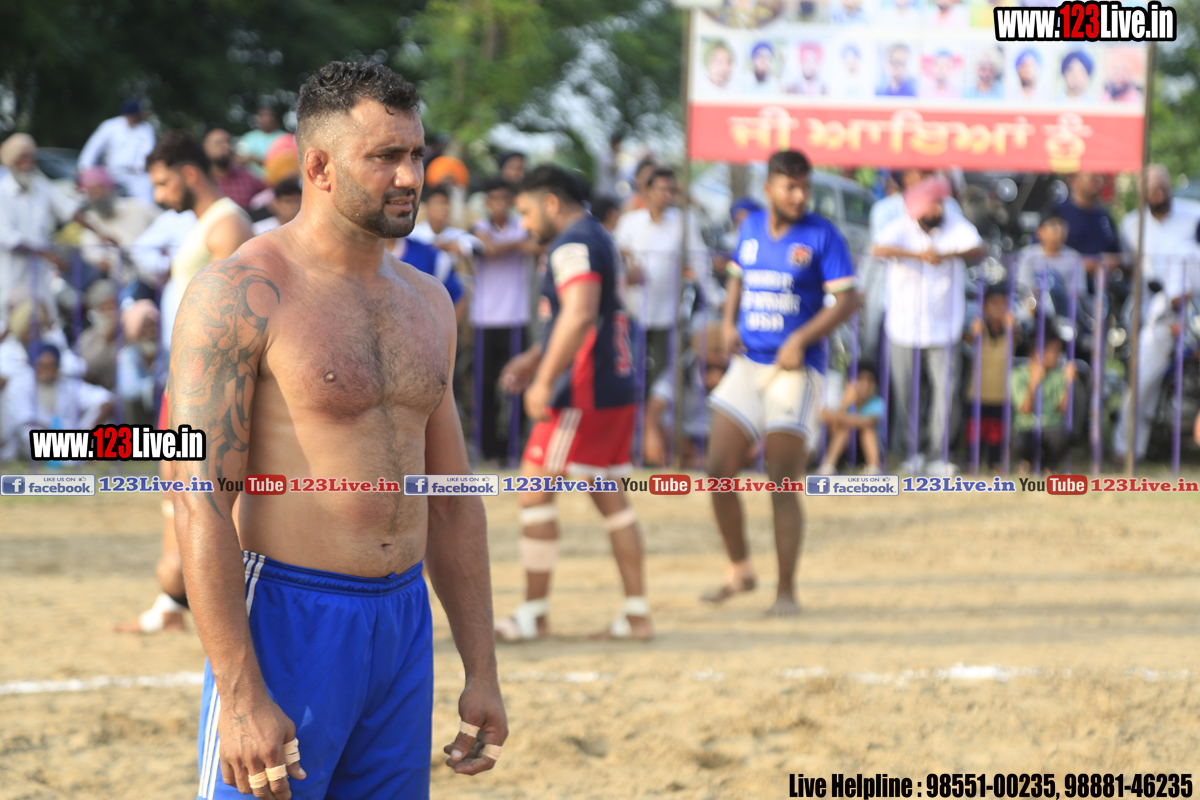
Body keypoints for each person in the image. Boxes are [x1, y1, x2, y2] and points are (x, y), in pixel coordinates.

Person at [172, 61, 506, 797]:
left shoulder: (429, 302)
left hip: (402, 621)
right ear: (318, 167)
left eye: (415, 153)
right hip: (286, 615)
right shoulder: (240, 293)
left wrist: (481, 669)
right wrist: (240, 695)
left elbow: (452, 501)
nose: (409, 176)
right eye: (385, 156)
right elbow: (198, 497)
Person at [493, 164, 650, 641]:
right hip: (611, 383)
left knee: (534, 489)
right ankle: (637, 613)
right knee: (609, 497)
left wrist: (544, 379)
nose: (524, 224)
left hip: (583, 390)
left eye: (525, 212)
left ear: (551, 203)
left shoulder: (572, 243)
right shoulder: (596, 235)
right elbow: (582, 314)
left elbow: (580, 313)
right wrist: (535, 357)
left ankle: (533, 614)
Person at [705, 150, 861, 616]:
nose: (799, 195)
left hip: (796, 370)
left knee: (782, 480)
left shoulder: (822, 234)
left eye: (805, 187)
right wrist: (728, 321)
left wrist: (800, 339)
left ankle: (786, 592)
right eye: (791, 187)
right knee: (717, 469)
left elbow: (848, 300)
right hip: (747, 363)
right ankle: (740, 569)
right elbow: (736, 277)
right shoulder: (751, 227)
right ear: (768, 188)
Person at [114, 130, 254, 635]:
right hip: (186, 375)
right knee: (176, 485)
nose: (159, 194)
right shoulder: (204, 225)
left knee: (208, 492)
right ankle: (173, 598)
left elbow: (234, 317)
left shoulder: (228, 225)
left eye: (163, 182)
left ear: (189, 173)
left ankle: (217, 606)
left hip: (209, 380)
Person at [873, 176, 985, 475]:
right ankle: (911, 453)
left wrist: (946, 255)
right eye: (931, 205)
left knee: (946, 393)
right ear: (917, 209)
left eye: (939, 204)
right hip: (904, 324)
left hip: (944, 326)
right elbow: (878, 250)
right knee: (906, 395)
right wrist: (917, 256)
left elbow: (979, 249)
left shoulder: (955, 225)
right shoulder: (900, 227)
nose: (937, 210)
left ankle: (939, 455)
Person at [1113, 165, 1200, 461]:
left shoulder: (1192, 219)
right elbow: (1127, 268)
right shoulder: (1130, 224)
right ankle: (1126, 447)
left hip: (1193, 312)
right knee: (1143, 377)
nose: (1158, 193)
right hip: (1158, 312)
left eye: (1162, 186)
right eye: (1151, 189)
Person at [0, 133, 110, 329]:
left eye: (31, 157)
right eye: (23, 157)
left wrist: (100, 232)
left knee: (47, 324)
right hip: (10, 277)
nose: (29, 162)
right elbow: (10, 239)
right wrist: (48, 255)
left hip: (40, 278)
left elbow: (70, 210)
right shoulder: (2, 193)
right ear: (12, 161)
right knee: (12, 327)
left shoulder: (41, 187)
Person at [613, 167, 708, 393]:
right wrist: (628, 271)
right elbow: (616, 256)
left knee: (662, 376)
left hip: (668, 311)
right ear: (647, 191)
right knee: (632, 370)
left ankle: (653, 412)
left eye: (671, 190)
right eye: (661, 189)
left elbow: (700, 259)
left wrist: (712, 295)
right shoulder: (630, 221)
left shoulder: (683, 221)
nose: (667, 195)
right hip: (633, 310)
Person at [470, 177, 537, 463]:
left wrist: (508, 244)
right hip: (485, 319)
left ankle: (513, 446)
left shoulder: (520, 226)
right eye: (495, 199)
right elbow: (488, 248)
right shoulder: (479, 227)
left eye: (505, 199)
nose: (500, 204)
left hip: (515, 317)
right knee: (485, 387)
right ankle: (488, 449)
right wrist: (517, 243)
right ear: (487, 202)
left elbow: (536, 247)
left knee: (518, 384)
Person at [3, 342, 113, 459]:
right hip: (38, 438)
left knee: (105, 423)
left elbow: (107, 399)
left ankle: (81, 451)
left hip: (69, 437)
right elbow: (25, 420)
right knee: (28, 434)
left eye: (52, 366)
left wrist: (92, 428)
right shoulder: (20, 385)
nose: (48, 371)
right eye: (42, 365)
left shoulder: (66, 384)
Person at [643, 323, 729, 469]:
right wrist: (650, 431)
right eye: (709, 364)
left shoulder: (737, 373)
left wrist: (725, 388)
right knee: (662, 430)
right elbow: (655, 405)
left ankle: (701, 463)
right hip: (687, 439)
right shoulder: (680, 371)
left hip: (725, 439)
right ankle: (704, 463)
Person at [77, 166, 161, 283]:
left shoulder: (137, 207)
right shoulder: (90, 223)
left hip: (158, 273)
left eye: (101, 188)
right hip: (125, 284)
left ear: (110, 188)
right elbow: (93, 257)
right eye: (93, 191)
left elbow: (167, 223)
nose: (98, 195)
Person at [1011, 324, 1076, 471]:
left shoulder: (1058, 375)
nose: (1059, 356)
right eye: (1055, 351)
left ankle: (1049, 465)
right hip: (1026, 427)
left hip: (1051, 426)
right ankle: (1027, 462)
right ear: (1038, 353)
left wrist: (1068, 383)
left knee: (1060, 438)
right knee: (1020, 442)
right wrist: (1033, 382)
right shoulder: (1018, 374)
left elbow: (1063, 409)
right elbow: (1025, 410)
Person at [966, 284, 1017, 470]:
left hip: (1001, 394)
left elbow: (1020, 340)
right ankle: (972, 461)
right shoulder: (979, 329)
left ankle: (994, 462)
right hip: (977, 393)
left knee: (997, 431)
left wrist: (1012, 328)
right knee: (975, 430)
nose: (999, 308)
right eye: (994, 303)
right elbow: (968, 341)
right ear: (984, 307)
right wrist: (973, 333)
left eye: (1004, 304)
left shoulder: (1011, 331)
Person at [77, 99, 157, 204]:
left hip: (136, 176)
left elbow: (147, 152)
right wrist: (84, 168)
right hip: (111, 174)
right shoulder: (110, 126)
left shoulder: (146, 129)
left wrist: (140, 167)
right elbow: (93, 148)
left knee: (146, 192)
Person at [815, 361, 884, 475]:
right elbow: (831, 425)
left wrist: (836, 417)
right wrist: (845, 403)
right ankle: (828, 466)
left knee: (867, 429)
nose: (865, 385)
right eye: (860, 379)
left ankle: (874, 467)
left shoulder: (877, 402)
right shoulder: (845, 400)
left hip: (867, 451)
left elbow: (869, 422)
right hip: (845, 450)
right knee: (844, 429)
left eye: (870, 381)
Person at [1016, 213, 1086, 317]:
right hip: (1031, 312)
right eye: (1053, 226)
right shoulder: (1028, 255)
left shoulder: (1074, 257)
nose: (1059, 230)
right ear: (1040, 231)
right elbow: (1024, 291)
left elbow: (1077, 294)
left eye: (1062, 226)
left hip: (1063, 314)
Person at [1056, 171, 1120, 282]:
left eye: (1102, 178)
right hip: (1067, 285)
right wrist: (1080, 263)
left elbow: (1116, 253)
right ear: (1074, 181)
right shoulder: (1058, 214)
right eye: (1093, 178)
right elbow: (1042, 253)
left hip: (1100, 286)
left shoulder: (1104, 217)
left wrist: (1111, 262)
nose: (1100, 182)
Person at [117, 299, 161, 426]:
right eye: (146, 326)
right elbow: (130, 390)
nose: (152, 331)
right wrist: (155, 386)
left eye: (155, 325)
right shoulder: (127, 356)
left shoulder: (166, 353)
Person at [411, 185, 481, 259]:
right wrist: (437, 246)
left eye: (446, 203)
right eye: (438, 203)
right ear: (427, 207)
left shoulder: (455, 234)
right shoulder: (415, 233)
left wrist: (449, 246)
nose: (444, 207)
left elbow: (477, 247)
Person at [204, 128, 266, 211]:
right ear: (205, 148)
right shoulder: (202, 181)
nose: (226, 146)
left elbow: (268, 194)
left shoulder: (246, 176)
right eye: (218, 143)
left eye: (228, 142)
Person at [75, 279, 119, 390]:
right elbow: (88, 369)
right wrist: (106, 339)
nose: (110, 309)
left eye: (113, 303)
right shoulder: (86, 339)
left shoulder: (129, 331)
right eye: (105, 305)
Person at [235, 105, 286, 180]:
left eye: (271, 115)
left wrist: (257, 160)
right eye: (264, 115)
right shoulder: (248, 138)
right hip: (252, 182)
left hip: (279, 181)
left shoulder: (284, 138)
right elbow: (238, 159)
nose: (268, 118)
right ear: (258, 118)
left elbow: (287, 162)